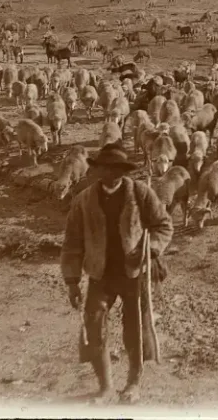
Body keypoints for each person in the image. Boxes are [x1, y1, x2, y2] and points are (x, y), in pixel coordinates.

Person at [60, 142, 174, 403]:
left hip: (133, 273)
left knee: (135, 327)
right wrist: (72, 281)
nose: (112, 174)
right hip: (101, 274)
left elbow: (163, 225)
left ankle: (134, 382)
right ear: (97, 170)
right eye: (106, 168)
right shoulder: (83, 200)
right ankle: (105, 387)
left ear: (124, 171)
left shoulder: (141, 193)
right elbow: (72, 242)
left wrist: (151, 249)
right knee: (94, 324)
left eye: (117, 169)